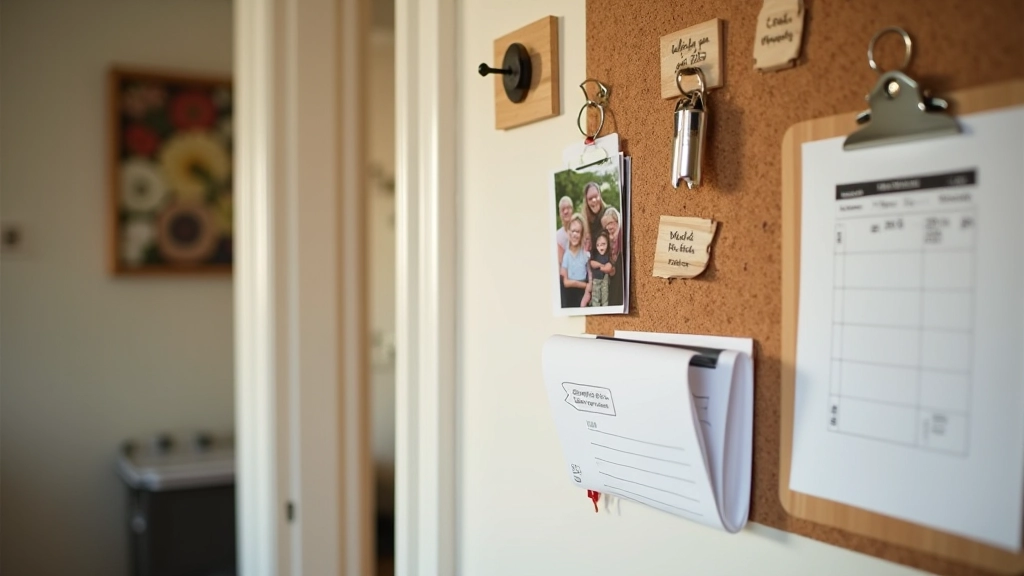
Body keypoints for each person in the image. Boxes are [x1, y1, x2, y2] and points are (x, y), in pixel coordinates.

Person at [560, 214, 590, 308]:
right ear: (568, 232)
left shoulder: (586, 256)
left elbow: (591, 281)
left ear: (582, 234)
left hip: (583, 296)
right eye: (572, 231)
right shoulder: (566, 256)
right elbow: (566, 282)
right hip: (569, 296)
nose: (574, 234)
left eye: (577, 231)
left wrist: (587, 287)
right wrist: (584, 285)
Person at [601, 207, 623, 307]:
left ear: (617, 221)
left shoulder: (622, 237)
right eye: (606, 225)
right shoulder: (607, 241)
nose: (609, 227)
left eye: (611, 222)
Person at [555, 196, 575, 307]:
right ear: (560, 213)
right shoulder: (557, 236)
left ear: (573, 210)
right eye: (563, 209)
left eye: (568, 208)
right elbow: (559, 263)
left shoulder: (580, 230)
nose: (566, 211)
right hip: (565, 282)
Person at [581, 182, 607, 251]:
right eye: (590, 198)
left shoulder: (609, 214)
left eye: (596, 196)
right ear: (586, 202)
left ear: (600, 196)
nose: (594, 200)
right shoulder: (583, 222)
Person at [589, 232, 612, 307]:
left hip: (605, 279)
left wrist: (603, 268)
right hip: (596, 279)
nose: (601, 247)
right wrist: (601, 265)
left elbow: (608, 267)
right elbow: (592, 263)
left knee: (605, 295)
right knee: (596, 296)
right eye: (598, 245)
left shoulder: (608, 255)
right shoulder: (595, 255)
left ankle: (605, 308)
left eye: (603, 244)